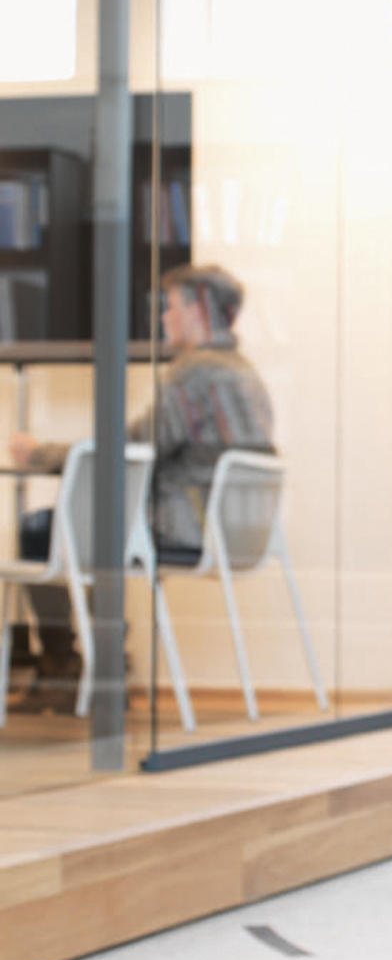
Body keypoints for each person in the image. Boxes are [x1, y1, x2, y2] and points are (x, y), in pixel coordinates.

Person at [8, 262, 274, 711]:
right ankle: (100, 665)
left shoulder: (195, 373)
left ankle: (65, 670)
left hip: (186, 525)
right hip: (232, 532)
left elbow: (134, 447)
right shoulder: (246, 373)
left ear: (197, 312)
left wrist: (40, 453)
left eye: (169, 307)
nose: (163, 318)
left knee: (41, 528)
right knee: (94, 529)